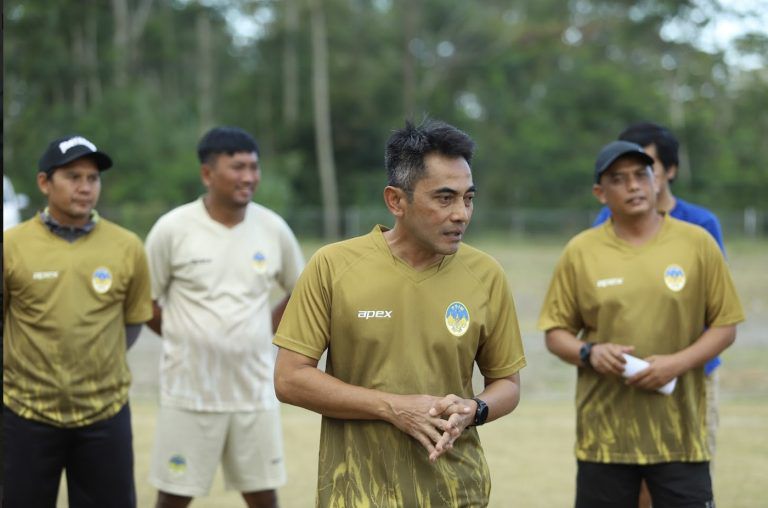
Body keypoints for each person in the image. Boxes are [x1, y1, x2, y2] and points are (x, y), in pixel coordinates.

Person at [273, 119, 526, 507]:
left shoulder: (487, 275)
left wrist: (473, 409)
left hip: (457, 493)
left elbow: (507, 384)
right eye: (445, 198)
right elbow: (290, 379)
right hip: (355, 495)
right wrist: (391, 407)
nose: (461, 214)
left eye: (468, 198)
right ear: (396, 200)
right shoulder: (332, 266)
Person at [539, 140, 744, 507]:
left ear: (656, 181)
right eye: (619, 179)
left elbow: (726, 325)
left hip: (680, 436)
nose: (633, 185)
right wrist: (590, 352)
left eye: (641, 175)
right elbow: (555, 333)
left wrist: (675, 364)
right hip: (604, 440)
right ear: (600, 193)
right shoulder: (580, 251)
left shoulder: (697, 243)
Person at [145, 126, 304, 508]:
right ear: (207, 174)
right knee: (174, 495)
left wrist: (261, 329)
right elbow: (144, 300)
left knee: (263, 495)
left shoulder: (272, 228)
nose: (249, 177)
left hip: (252, 390)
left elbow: (301, 290)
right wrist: (185, 334)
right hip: (188, 392)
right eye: (237, 167)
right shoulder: (172, 229)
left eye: (253, 167)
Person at [3, 135, 153, 507]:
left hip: (105, 415)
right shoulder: (11, 246)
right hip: (25, 415)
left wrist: (97, 359)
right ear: (44, 183)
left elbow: (132, 322)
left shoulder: (127, 246)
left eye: (93, 178)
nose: (85, 187)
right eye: (73, 176)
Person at [593, 122, 726, 507]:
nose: (634, 181)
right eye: (622, 172)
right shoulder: (602, 225)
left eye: (645, 166)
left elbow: (718, 314)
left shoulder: (700, 226)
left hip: (689, 381)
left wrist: (674, 362)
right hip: (623, 381)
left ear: (668, 170)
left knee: (683, 485)